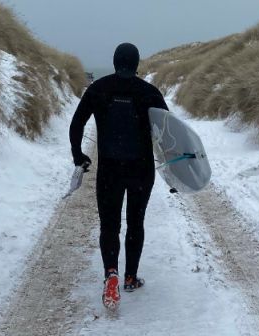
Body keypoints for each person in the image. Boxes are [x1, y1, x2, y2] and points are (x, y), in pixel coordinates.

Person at [69, 42, 169, 309]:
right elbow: (168, 133)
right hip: (141, 169)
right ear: (136, 64)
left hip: (110, 170)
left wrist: (78, 155)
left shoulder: (98, 89)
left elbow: (77, 123)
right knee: (135, 222)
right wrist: (176, 170)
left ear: (115, 62)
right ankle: (130, 277)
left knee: (109, 225)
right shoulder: (149, 92)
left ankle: (110, 274)